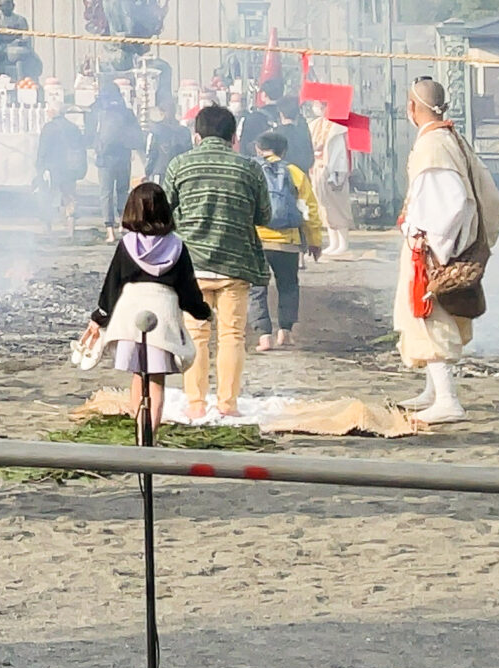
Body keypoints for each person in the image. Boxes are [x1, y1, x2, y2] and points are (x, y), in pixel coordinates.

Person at [398, 77, 499, 424]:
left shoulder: (434, 146)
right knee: (424, 319)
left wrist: (437, 248)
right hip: (433, 245)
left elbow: (451, 203)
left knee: (432, 319)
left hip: (433, 249)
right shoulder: (448, 137)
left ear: (412, 108)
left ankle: (447, 399)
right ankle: (432, 390)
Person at [162, 101, 270, 423]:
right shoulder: (249, 168)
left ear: (197, 136)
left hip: (192, 265)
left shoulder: (179, 166)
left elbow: (165, 213)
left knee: (196, 335)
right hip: (235, 265)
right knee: (232, 335)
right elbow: (265, 215)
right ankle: (228, 403)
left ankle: (195, 403)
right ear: (233, 137)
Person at [78, 183, 211, 431]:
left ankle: (139, 432)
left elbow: (111, 287)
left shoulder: (126, 245)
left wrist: (99, 317)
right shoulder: (177, 247)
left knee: (138, 376)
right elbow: (187, 290)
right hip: (162, 320)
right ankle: (151, 435)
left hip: (130, 317)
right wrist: (202, 311)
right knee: (157, 380)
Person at [251, 130, 325, 352]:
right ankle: (286, 333)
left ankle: (264, 336)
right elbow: (310, 209)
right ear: (284, 151)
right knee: (289, 286)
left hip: (257, 241)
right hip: (288, 242)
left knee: (257, 289)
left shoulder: (251, 171)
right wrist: (314, 241)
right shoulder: (295, 173)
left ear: (258, 149)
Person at [304, 98, 353, 257]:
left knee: (338, 205)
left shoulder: (338, 128)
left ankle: (343, 243)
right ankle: (334, 242)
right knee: (324, 207)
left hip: (333, 170)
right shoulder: (315, 124)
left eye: (318, 104)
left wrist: (339, 172)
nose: (315, 107)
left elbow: (339, 154)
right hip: (318, 168)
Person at [90, 85, 143, 230]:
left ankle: (109, 229)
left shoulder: (99, 111)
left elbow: (91, 133)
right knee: (122, 190)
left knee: (106, 193)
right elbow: (136, 135)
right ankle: (123, 223)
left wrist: (97, 148)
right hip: (123, 156)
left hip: (105, 158)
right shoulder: (127, 112)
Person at [35, 105, 89, 235]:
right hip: (70, 168)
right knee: (70, 197)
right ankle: (71, 228)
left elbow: (43, 150)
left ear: (52, 112)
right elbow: (81, 148)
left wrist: (39, 168)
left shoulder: (49, 128)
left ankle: (47, 228)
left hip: (52, 169)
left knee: (46, 197)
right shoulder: (73, 127)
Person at [143, 103, 191, 184]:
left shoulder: (155, 132)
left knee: (159, 195)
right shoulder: (184, 131)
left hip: (160, 172)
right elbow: (189, 153)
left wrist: (147, 172)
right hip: (180, 172)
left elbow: (151, 155)